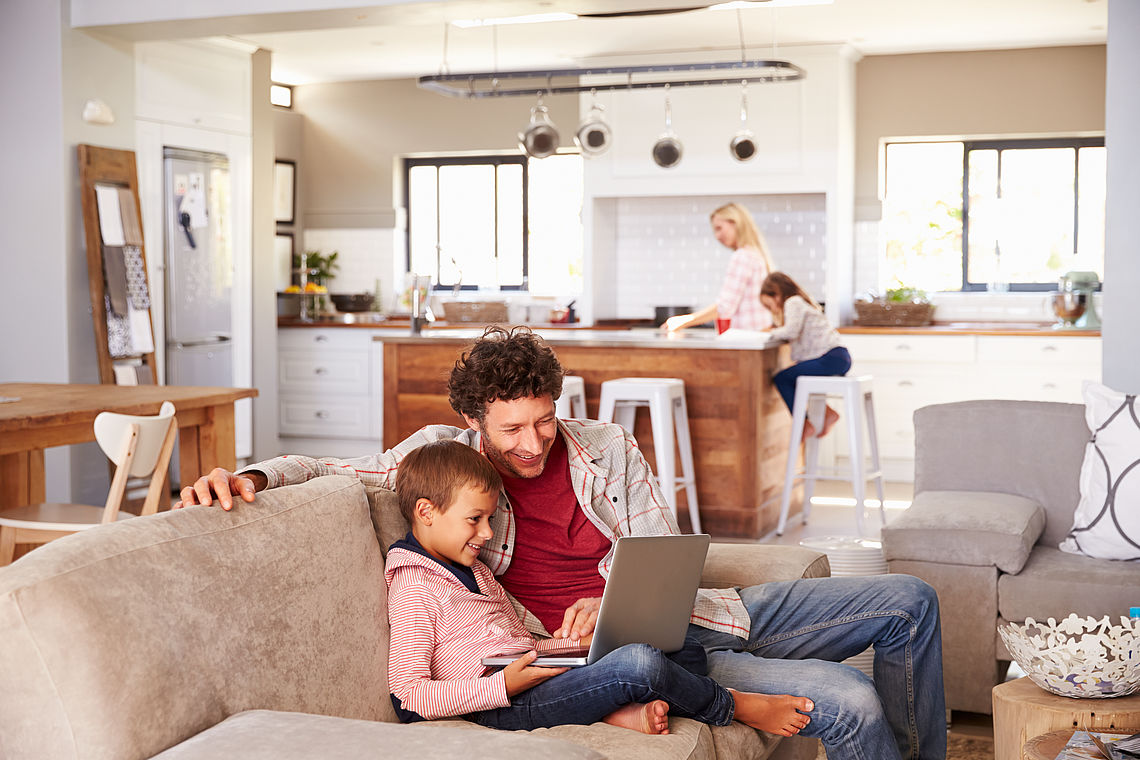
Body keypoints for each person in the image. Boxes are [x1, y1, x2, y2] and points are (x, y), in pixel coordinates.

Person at [177, 326, 946, 760]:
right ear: (476, 420)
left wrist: (605, 594)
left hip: (702, 614)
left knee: (911, 601)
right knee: (847, 700)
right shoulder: (444, 462)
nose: (534, 440)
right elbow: (331, 464)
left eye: (544, 418)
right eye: (512, 427)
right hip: (602, 657)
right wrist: (249, 474)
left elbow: (661, 553)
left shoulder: (606, 446)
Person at [386, 438, 813, 736]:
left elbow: (518, 644)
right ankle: (735, 705)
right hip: (499, 706)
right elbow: (408, 697)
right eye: (474, 519)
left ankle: (611, 711)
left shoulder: (475, 570)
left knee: (681, 648)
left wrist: (581, 647)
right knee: (640, 665)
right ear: (426, 512)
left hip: (533, 678)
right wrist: (502, 687)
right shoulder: (414, 585)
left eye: (490, 519)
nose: (485, 532)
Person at [760, 271, 852, 439]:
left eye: (769, 305)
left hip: (831, 357)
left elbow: (791, 331)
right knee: (798, 375)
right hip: (837, 357)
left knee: (782, 378)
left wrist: (770, 332)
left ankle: (803, 423)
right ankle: (828, 413)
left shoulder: (792, 302)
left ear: (776, 294)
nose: (772, 310)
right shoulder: (800, 303)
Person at [663, 203, 775, 333]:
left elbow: (724, 307)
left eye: (719, 228)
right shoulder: (756, 254)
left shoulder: (742, 256)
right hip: (759, 335)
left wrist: (684, 320)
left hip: (746, 338)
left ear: (735, 223)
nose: (717, 236)